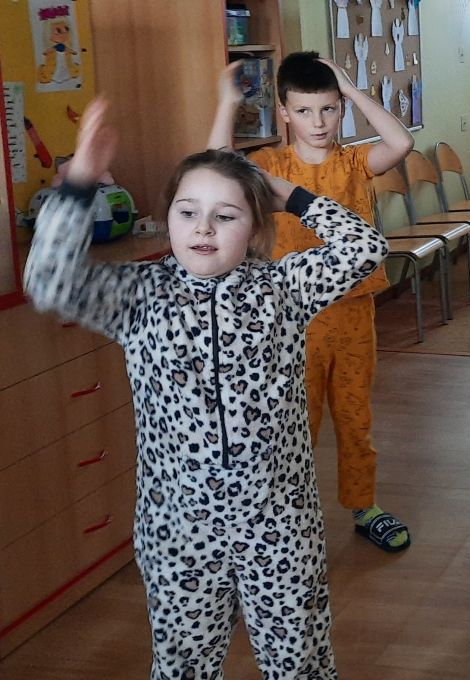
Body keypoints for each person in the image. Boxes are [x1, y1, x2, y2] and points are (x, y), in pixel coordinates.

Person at [23, 99, 389, 678]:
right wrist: (79, 185)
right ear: (168, 216)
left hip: (279, 525)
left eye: (226, 215)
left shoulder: (283, 288)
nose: (203, 228)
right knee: (183, 667)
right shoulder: (140, 294)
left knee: (300, 665)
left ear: (258, 226)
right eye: (188, 211)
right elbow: (48, 279)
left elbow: (365, 248)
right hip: (179, 530)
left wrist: (288, 193)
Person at [209, 51, 415, 552]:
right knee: (295, 423)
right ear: (283, 112)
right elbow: (215, 168)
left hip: (353, 312)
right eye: (304, 111)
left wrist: (352, 89)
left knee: (354, 415)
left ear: (340, 109)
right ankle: (287, 515)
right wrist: (227, 104)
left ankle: (364, 506)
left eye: (328, 109)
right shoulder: (269, 166)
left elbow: (401, 143)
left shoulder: (354, 162)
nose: (318, 122)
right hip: (290, 320)